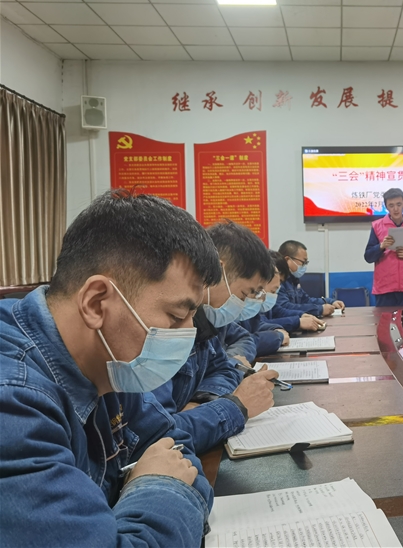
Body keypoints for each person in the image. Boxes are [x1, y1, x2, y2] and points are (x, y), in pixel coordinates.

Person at [0, 190, 219, 546]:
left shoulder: (111, 366)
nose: (187, 334)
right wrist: (160, 485)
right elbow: (175, 474)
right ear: (96, 302)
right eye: (176, 316)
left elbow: (176, 448)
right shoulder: (13, 402)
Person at [151, 220, 279, 455]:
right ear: (216, 271)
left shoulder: (206, 319)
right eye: (245, 294)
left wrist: (203, 401)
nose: (245, 304)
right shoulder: (159, 329)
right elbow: (160, 436)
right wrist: (237, 406)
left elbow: (223, 368)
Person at [277, 240, 345, 316]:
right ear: (287, 259)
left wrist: (330, 302)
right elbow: (285, 307)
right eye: (303, 262)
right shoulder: (277, 280)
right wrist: (319, 309)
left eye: (306, 263)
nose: (304, 266)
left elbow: (306, 300)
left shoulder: (294, 279)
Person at [266, 250, 327, 333]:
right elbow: (260, 325)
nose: (278, 286)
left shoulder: (294, 280)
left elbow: (278, 311)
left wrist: (302, 315)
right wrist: (297, 322)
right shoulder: (255, 299)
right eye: (303, 262)